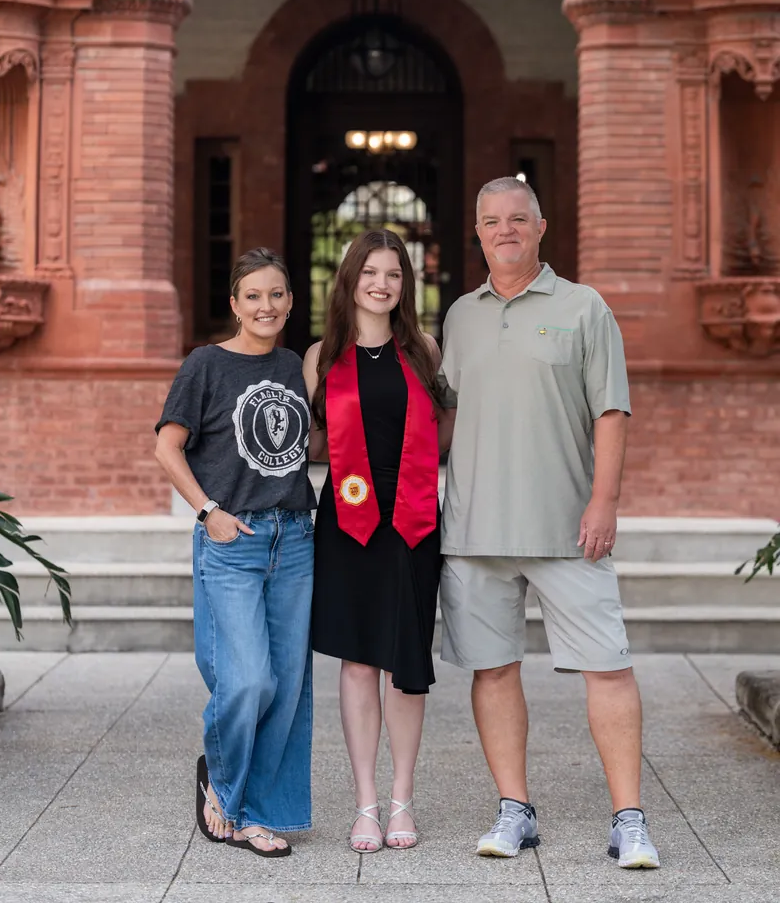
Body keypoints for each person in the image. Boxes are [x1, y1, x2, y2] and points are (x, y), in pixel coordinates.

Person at [437, 176, 661, 870]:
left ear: (541, 226)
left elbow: (612, 411)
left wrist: (605, 500)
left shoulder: (584, 307)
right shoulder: (459, 317)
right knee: (493, 671)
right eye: (491, 221)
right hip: (474, 532)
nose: (505, 230)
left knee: (608, 667)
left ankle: (630, 820)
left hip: (568, 527)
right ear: (476, 232)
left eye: (518, 219)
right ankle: (515, 810)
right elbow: (444, 416)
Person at [155, 248, 315, 858]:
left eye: (276, 295)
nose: (266, 306)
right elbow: (169, 448)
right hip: (234, 539)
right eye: (253, 296)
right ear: (234, 304)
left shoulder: (297, 366)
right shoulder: (206, 364)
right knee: (246, 679)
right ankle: (221, 785)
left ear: (291, 302)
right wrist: (207, 512)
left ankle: (259, 813)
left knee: (286, 686)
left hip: (296, 538)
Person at [303, 229, 444, 854]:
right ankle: (364, 803)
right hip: (347, 518)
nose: (381, 284)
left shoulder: (426, 351)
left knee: (405, 667)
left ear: (404, 285)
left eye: (393, 274)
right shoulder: (319, 356)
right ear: (350, 280)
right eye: (370, 273)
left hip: (412, 517)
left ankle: (401, 799)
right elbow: (302, 444)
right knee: (358, 660)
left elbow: (445, 440)